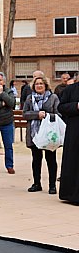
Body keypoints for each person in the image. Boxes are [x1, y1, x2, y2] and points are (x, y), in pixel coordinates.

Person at [22, 75, 60, 195]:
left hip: (49, 134)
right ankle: (36, 183)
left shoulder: (53, 97)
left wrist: (47, 116)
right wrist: (36, 114)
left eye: (41, 84)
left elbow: (59, 114)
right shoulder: (29, 98)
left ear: (45, 85)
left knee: (51, 159)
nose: (39, 86)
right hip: (34, 133)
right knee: (36, 159)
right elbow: (25, 114)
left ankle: (52, 185)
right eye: (37, 84)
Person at [58, 75, 79, 204]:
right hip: (75, 133)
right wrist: (76, 106)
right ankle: (72, 194)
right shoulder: (71, 89)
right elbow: (61, 107)